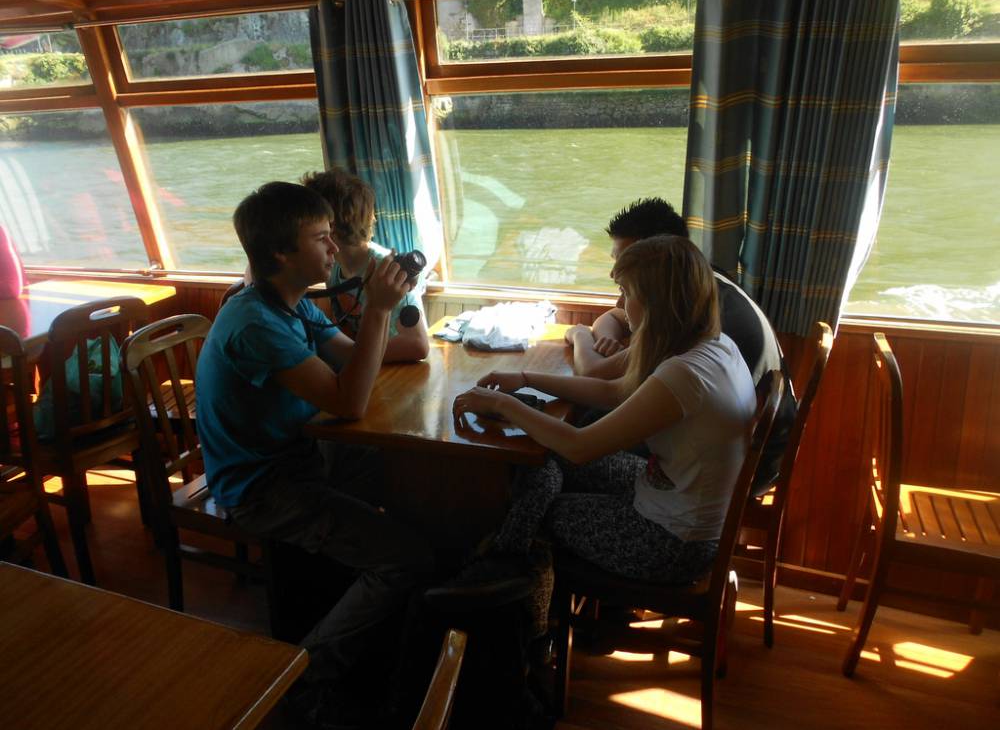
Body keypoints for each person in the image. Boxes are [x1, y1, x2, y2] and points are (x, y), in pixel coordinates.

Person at [195, 181, 433, 728]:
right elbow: (350, 401)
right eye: (321, 238)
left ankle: (387, 632)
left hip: (301, 457)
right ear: (282, 253)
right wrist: (378, 310)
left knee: (412, 478)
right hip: (261, 487)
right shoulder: (255, 323)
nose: (333, 247)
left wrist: (385, 309)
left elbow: (350, 357)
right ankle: (305, 677)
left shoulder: (292, 304)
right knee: (405, 559)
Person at [441, 235, 756, 612]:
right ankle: (499, 573)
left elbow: (580, 446)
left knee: (536, 512)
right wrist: (527, 378)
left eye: (626, 293)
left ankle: (512, 602)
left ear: (657, 303)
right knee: (544, 464)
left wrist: (502, 404)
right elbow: (614, 392)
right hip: (676, 505)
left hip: (672, 544)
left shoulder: (685, 374)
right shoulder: (714, 344)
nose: (620, 305)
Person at [563, 198, 795, 496]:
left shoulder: (689, 322)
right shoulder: (698, 283)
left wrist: (579, 334)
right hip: (739, 450)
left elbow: (596, 375)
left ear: (657, 258)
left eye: (626, 261)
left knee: (568, 445)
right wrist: (602, 333)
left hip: (741, 473)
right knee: (588, 421)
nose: (616, 272)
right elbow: (615, 316)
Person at [302, 168, 430, 363]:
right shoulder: (333, 266)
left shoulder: (386, 269)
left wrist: (357, 355)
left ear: (330, 226)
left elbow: (418, 344)